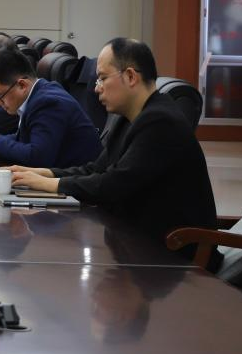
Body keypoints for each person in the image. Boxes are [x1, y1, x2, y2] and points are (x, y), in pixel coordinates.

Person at [11, 38, 217, 255]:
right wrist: (44, 173)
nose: (96, 88)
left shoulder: (161, 122)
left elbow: (112, 185)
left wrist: (49, 184)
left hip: (174, 254)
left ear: (130, 77)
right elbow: (96, 169)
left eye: (102, 78)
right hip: (136, 242)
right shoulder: (128, 118)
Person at [0, 46, 102, 169]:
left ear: (22, 85)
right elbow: (25, 140)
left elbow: (38, 157)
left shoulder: (48, 103)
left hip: (76, 180)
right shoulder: (37, 94)